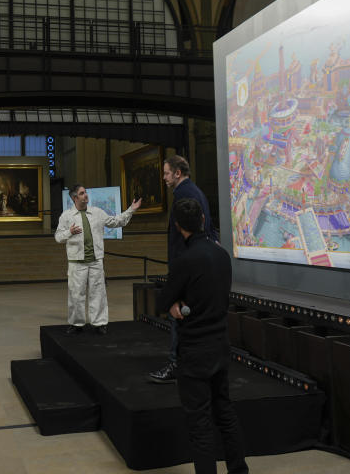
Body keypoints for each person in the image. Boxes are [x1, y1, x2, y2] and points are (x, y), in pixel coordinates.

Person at [157, 198, 248, 474]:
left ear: (177, 227)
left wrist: (174, 306)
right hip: (220, 345)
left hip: (195, 350)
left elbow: (163, 301)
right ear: (204, 221)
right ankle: (239, 470)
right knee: (225, 413)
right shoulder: (222, 256)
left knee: (200, 425)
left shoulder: (185, 261)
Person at [150, 154, 219, 384]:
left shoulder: (183, 194)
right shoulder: (197, 191)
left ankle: (176, 365)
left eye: (167, 173)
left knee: (177, 316)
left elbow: (181, 237)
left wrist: (176, 275)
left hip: (188, 265)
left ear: (177, 173)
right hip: (202, 261)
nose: (164, 177)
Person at [54, 185, 141, 334]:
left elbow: (116, 221)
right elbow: (58, 237)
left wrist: (131, 210)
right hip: (76, 262)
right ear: (75, 198)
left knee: (98, 293)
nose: (86, 195)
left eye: (85, 192)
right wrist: (69, 232)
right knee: (76, 294)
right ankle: (76, 324)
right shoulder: (66, 216)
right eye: (82, 193)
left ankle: (100, 323)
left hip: (95, 261)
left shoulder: (97, 212)